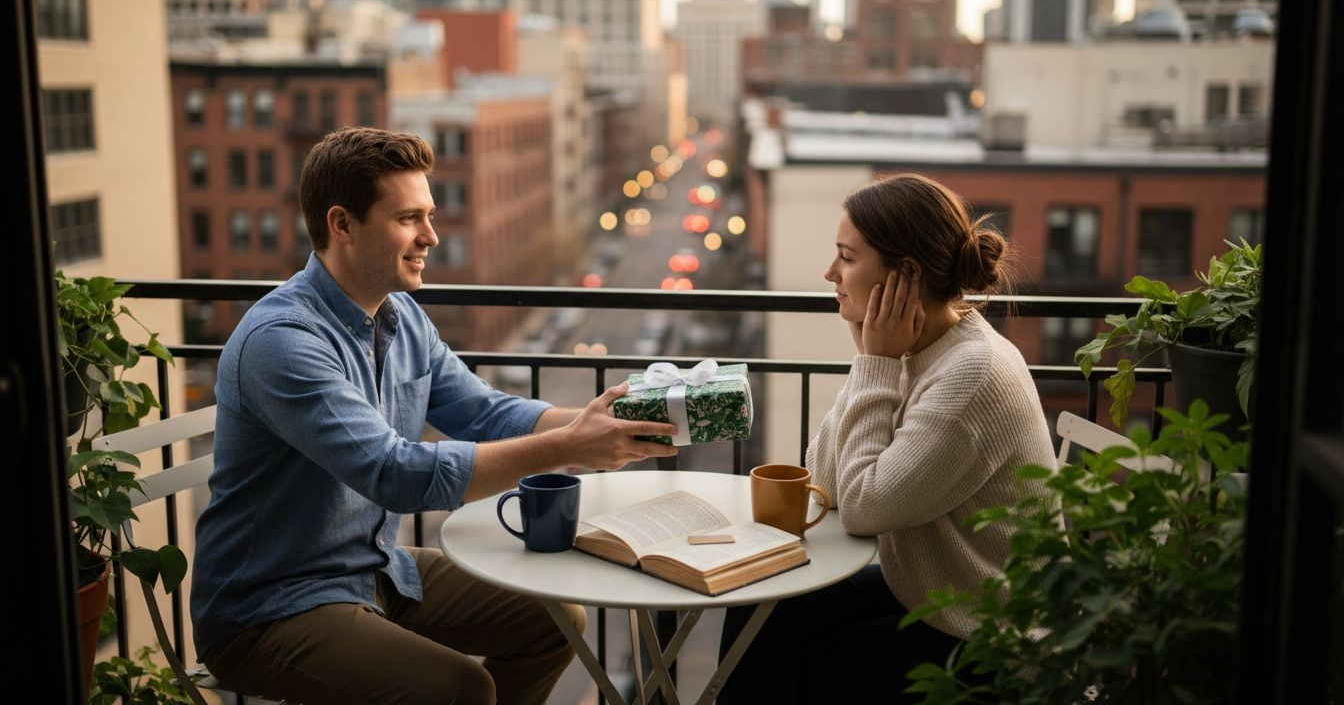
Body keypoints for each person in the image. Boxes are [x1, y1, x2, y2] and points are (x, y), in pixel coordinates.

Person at [190, 127, 678, 705]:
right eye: (407, 218)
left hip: (372, 567)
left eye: (429, 215)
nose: (431, 236)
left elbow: (485, 412)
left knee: (556, 620)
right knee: (461, 689)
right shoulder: (283, 341)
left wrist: (605, 423)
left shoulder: (402, 318)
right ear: (341, 224)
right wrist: (570, 446)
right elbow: (393, 473)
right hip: (268, 606)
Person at [717, 173, 1057, 703]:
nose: (830, 272)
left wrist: (874, 363)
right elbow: (825, 476)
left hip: (992, 636)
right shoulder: (916, 348)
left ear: (906, 275)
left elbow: (861, 508)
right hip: (932, 594)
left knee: (814, 661)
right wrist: (870, 360)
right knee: (758, 604)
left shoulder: (972, 373)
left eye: (847, 258)